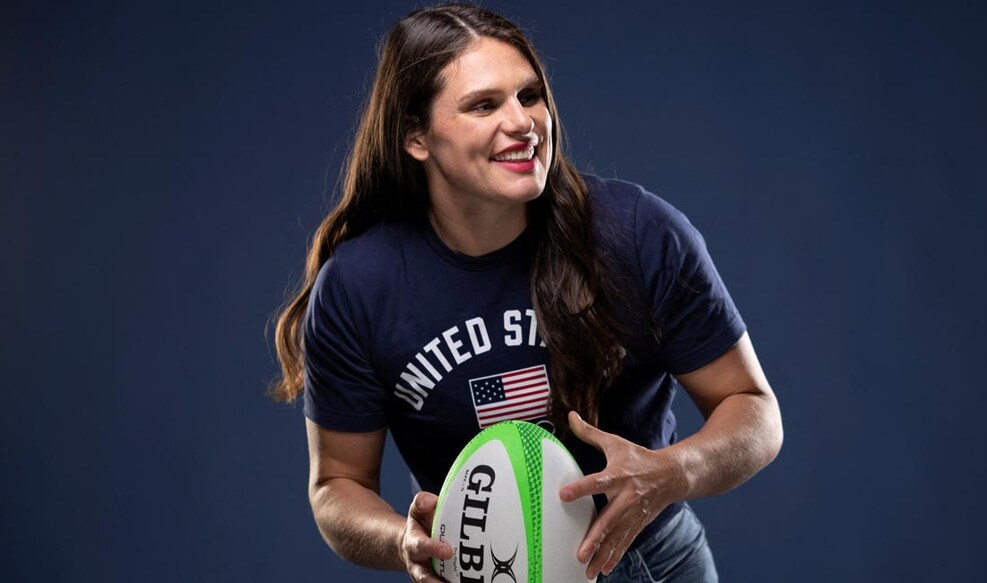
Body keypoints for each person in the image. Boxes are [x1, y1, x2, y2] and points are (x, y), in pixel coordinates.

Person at [270, 3, 783, 582]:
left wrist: (672, 471)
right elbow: (338, 484)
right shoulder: (360, 286)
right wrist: (403, 541)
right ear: (416, 135)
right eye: (484, 105)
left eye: (529, 96)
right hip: (482, 572)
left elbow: (755, 412)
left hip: (648, 563)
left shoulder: (638, 234)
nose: (522, 122)